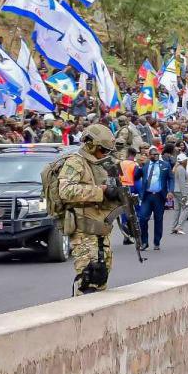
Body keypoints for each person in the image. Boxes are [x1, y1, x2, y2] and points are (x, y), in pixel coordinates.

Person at [57, 124, 121, 294]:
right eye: (102, 150)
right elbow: (65, 191)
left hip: (100, 230)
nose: (105, 154)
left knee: (101, 279)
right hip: (84, 232)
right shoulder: (75, 162)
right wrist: (101, 191)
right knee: (88, 280)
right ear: (91, 144)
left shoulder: (99, 163)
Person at [135, 146, 172, 251]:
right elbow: (136, 177)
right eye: (154, 154)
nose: (156, 156)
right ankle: (144, 242)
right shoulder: (145, 166)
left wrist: (170, 191)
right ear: (149, 155)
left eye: (157, 154)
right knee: (142, 218)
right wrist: (139, 166)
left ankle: (157, 241)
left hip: (159, 196)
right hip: (147, 196)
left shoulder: (165, 165)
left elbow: (171, 178)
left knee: (158, 219)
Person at [170, 153, 188, 235]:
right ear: (183, 161)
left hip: (175, 190)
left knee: (177, 209)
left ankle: (173, 227)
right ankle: (179, 227)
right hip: (181, 191)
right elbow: (182, 182)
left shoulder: (176, 168)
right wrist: (185, 194)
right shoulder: (181, 169)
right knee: (186, 208)